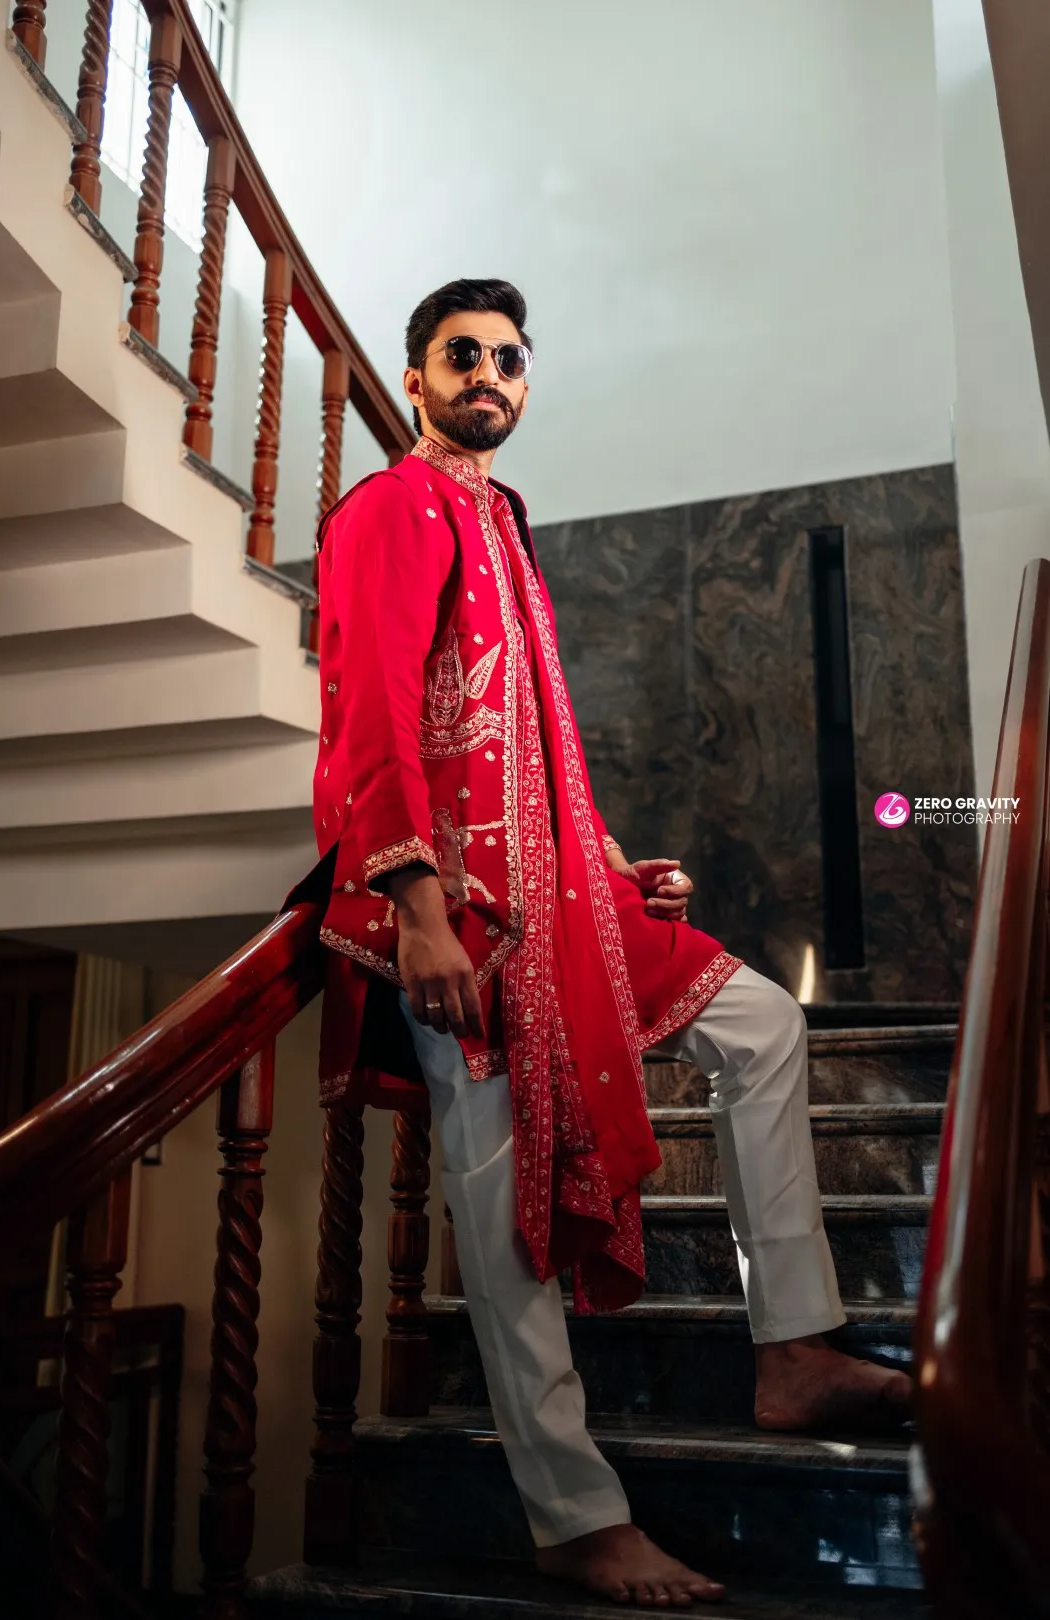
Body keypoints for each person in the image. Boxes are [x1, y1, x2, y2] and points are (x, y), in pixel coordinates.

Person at [311, 278, 911, 1608]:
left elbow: (522, 740)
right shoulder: (391, 506)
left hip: (567, 892)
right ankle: (573, 1512)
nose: (488, 375)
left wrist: (611, 860)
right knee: (497, 1185)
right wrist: (417, 905)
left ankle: (794, 1348)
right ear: (414, 379)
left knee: (761, 1022)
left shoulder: (503, 518)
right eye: (461, 355)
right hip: (463, 906)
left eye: (510, 359)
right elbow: (370, 708)